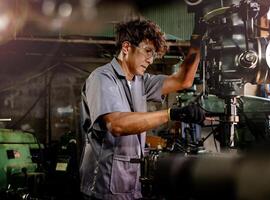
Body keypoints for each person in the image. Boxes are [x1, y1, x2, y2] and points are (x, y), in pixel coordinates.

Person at [79, 19, 205, 200]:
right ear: (126, 47)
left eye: (153, 54)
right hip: (102, 188)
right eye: (147, 51)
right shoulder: (102, 78)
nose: (151, 60)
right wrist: (171, 114)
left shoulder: (140, 81)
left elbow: (182, 80)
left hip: (130, 185)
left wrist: (197, 44)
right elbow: (117, 125)